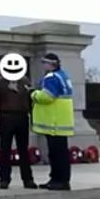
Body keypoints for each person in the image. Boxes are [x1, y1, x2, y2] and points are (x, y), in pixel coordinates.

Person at [31, 53, 75, 191]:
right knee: (61, 153)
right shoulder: (63, 75)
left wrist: (33, 94)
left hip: (53, 121)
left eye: (44, 63)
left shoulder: (51, 77)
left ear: (51, 65)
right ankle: (57, 179)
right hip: (62, 122)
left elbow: (47, 97)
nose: (43, 66)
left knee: (56, 154)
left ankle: (59, 181)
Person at [0, 73, 38, 190]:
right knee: (5, 150)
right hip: (6, 117)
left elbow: (31, 101)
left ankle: (28, 179)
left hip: (22, 117)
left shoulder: (25, 81)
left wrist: (33, 119)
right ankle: (4, 179)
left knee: (24, 150)